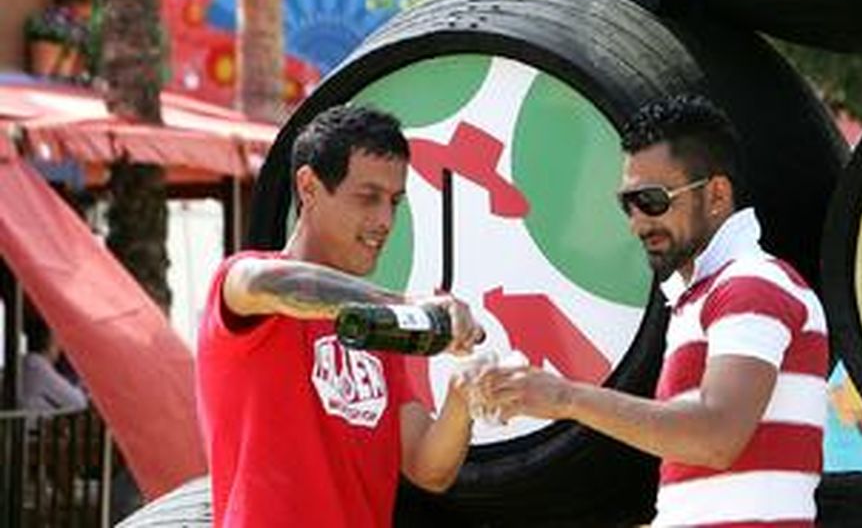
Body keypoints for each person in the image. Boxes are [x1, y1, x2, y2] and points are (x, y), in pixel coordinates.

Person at [479, 94, 827, 526]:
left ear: (717, 194)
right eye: (627, 203)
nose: (638, 222)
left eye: (653, 200)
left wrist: (566, 397)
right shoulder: (701, 297)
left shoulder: (750, 285)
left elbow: (718, 437)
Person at [195, 104, 485, 528]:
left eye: (395, 201)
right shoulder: (244, 284)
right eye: (368, 198)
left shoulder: (377, 326)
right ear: (309, 187)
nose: (385, 220)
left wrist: (465, 395)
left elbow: (429, 467)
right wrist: (404, 304)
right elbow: (268, 284)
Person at [19, 309, 86, 413]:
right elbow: (78, 402)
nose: (61, 345)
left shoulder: (28, 361)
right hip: (33, 428)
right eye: (57, 337)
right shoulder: (36, 365)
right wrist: (81, 385)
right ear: (49, 340)